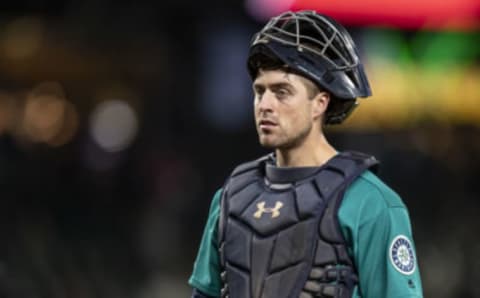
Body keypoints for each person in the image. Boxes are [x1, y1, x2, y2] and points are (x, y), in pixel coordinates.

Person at [189, 10, 423, 298]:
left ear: (320, 103)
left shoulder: (370, 203)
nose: (265, 104)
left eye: (282, 91)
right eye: (259, 91)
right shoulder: (230, 197)